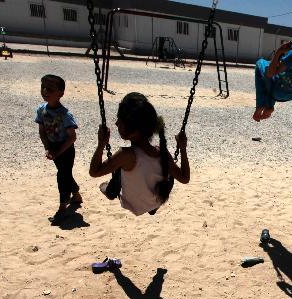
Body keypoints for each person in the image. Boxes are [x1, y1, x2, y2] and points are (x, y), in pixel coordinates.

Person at [89, 92, 189, 216]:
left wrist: (101, 144)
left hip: (132, 203)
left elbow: (94, 172)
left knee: (120, 168)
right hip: (155, 201)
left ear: (132, 128)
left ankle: (110, 191)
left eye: (120, 120)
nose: (116, 123)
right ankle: (151, 208)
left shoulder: (126, 155)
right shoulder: (161, 152)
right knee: (168, 170)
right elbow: (185, 178)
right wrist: (183, 149)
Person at [35, 74, 80, 221]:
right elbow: (42, 131)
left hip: (66, 149)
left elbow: (72, 137)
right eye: (43, 87)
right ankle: (77, 195)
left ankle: (62, 206)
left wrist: (58, 151)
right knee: (64, 173)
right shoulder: (41, 110)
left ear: (61, 93)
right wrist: (48, 148)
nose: (45, 91)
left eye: (50, 89)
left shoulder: (65, 115)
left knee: (62, 176)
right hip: (53, 147)